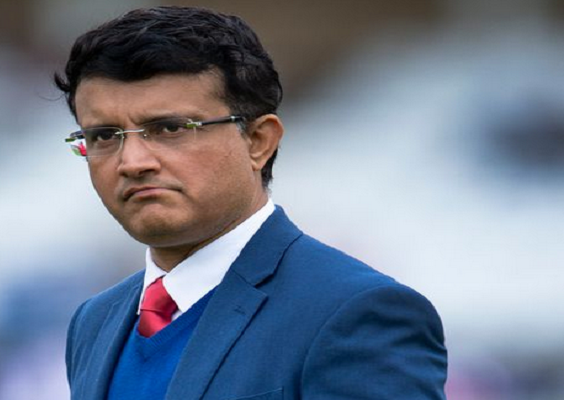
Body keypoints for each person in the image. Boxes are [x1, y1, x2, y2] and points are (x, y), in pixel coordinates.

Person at [54, 6, 447, 400]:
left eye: (170, 128)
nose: (133, 162)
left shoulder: (353, 312)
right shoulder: (95, 321)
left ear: (259, 141)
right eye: (105, 136)